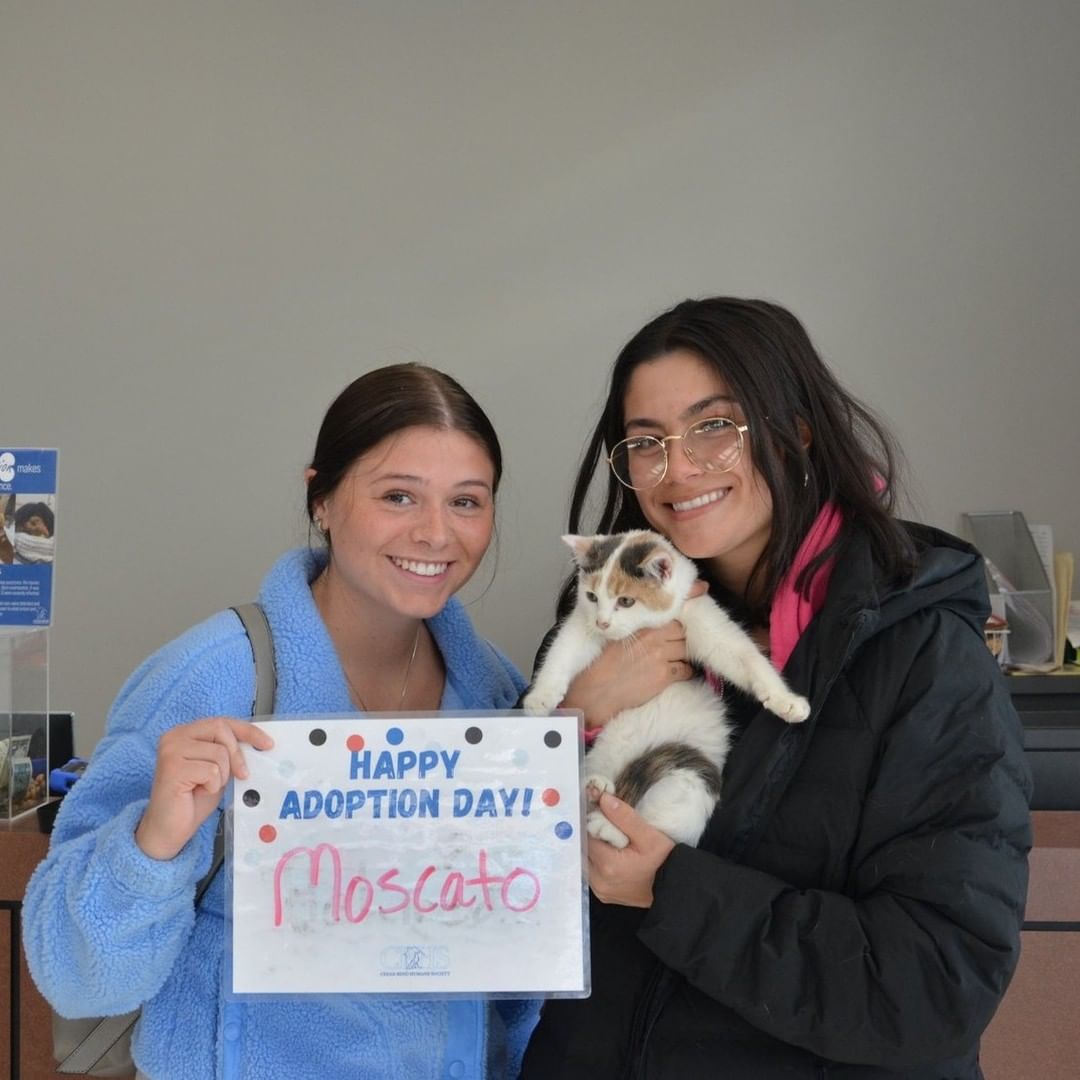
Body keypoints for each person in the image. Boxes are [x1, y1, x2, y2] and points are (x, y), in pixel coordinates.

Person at [521, 298, 1031, 1079]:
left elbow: (934, 984)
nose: (677, 467)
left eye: (715, 426)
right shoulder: (602, 632)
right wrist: (573, 720)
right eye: (646, 442)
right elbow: (496, 886)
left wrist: (673, 892)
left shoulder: (925, 657)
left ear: (795, 431)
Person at [24, 364, 539, 1080]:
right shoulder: (214, 677)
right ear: (321, 499)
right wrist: (153, 844)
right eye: (398, 496)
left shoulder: (500, 699)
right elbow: (75, 975)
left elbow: (518, 973)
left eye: (467, 502)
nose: (436, 533)